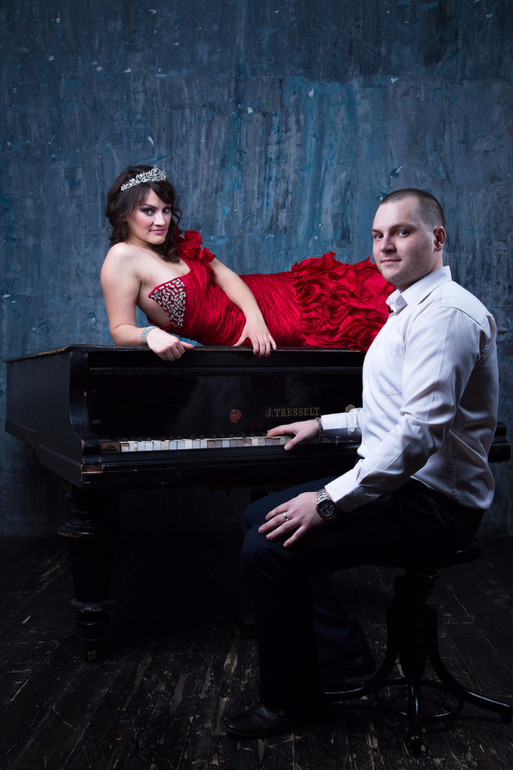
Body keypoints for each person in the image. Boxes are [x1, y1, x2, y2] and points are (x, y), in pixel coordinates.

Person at [224, 188, 499, 739]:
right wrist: (323, 424)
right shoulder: (407, 309)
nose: (385, 245)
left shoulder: (446, 315)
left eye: (402, 232)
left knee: (267, 548)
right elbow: (392, 412)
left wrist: (328, 502)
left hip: (435, 507)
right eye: (378, 235)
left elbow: (417, 436)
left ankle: (292, 702)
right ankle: (339, 652)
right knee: (259, 515)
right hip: (406, 488)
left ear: (437, 238)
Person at [101, 165, 393, 360]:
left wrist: (254, 318)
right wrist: (150, 334)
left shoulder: (174, 241)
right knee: (355, 324)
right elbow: (120, 329)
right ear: (125, 213)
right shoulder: (121, 257)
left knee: (362, 293)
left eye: (165, 210)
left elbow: (226, 277)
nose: (161, 221)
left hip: (263, 298)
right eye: (148, 211)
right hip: (241, 332)